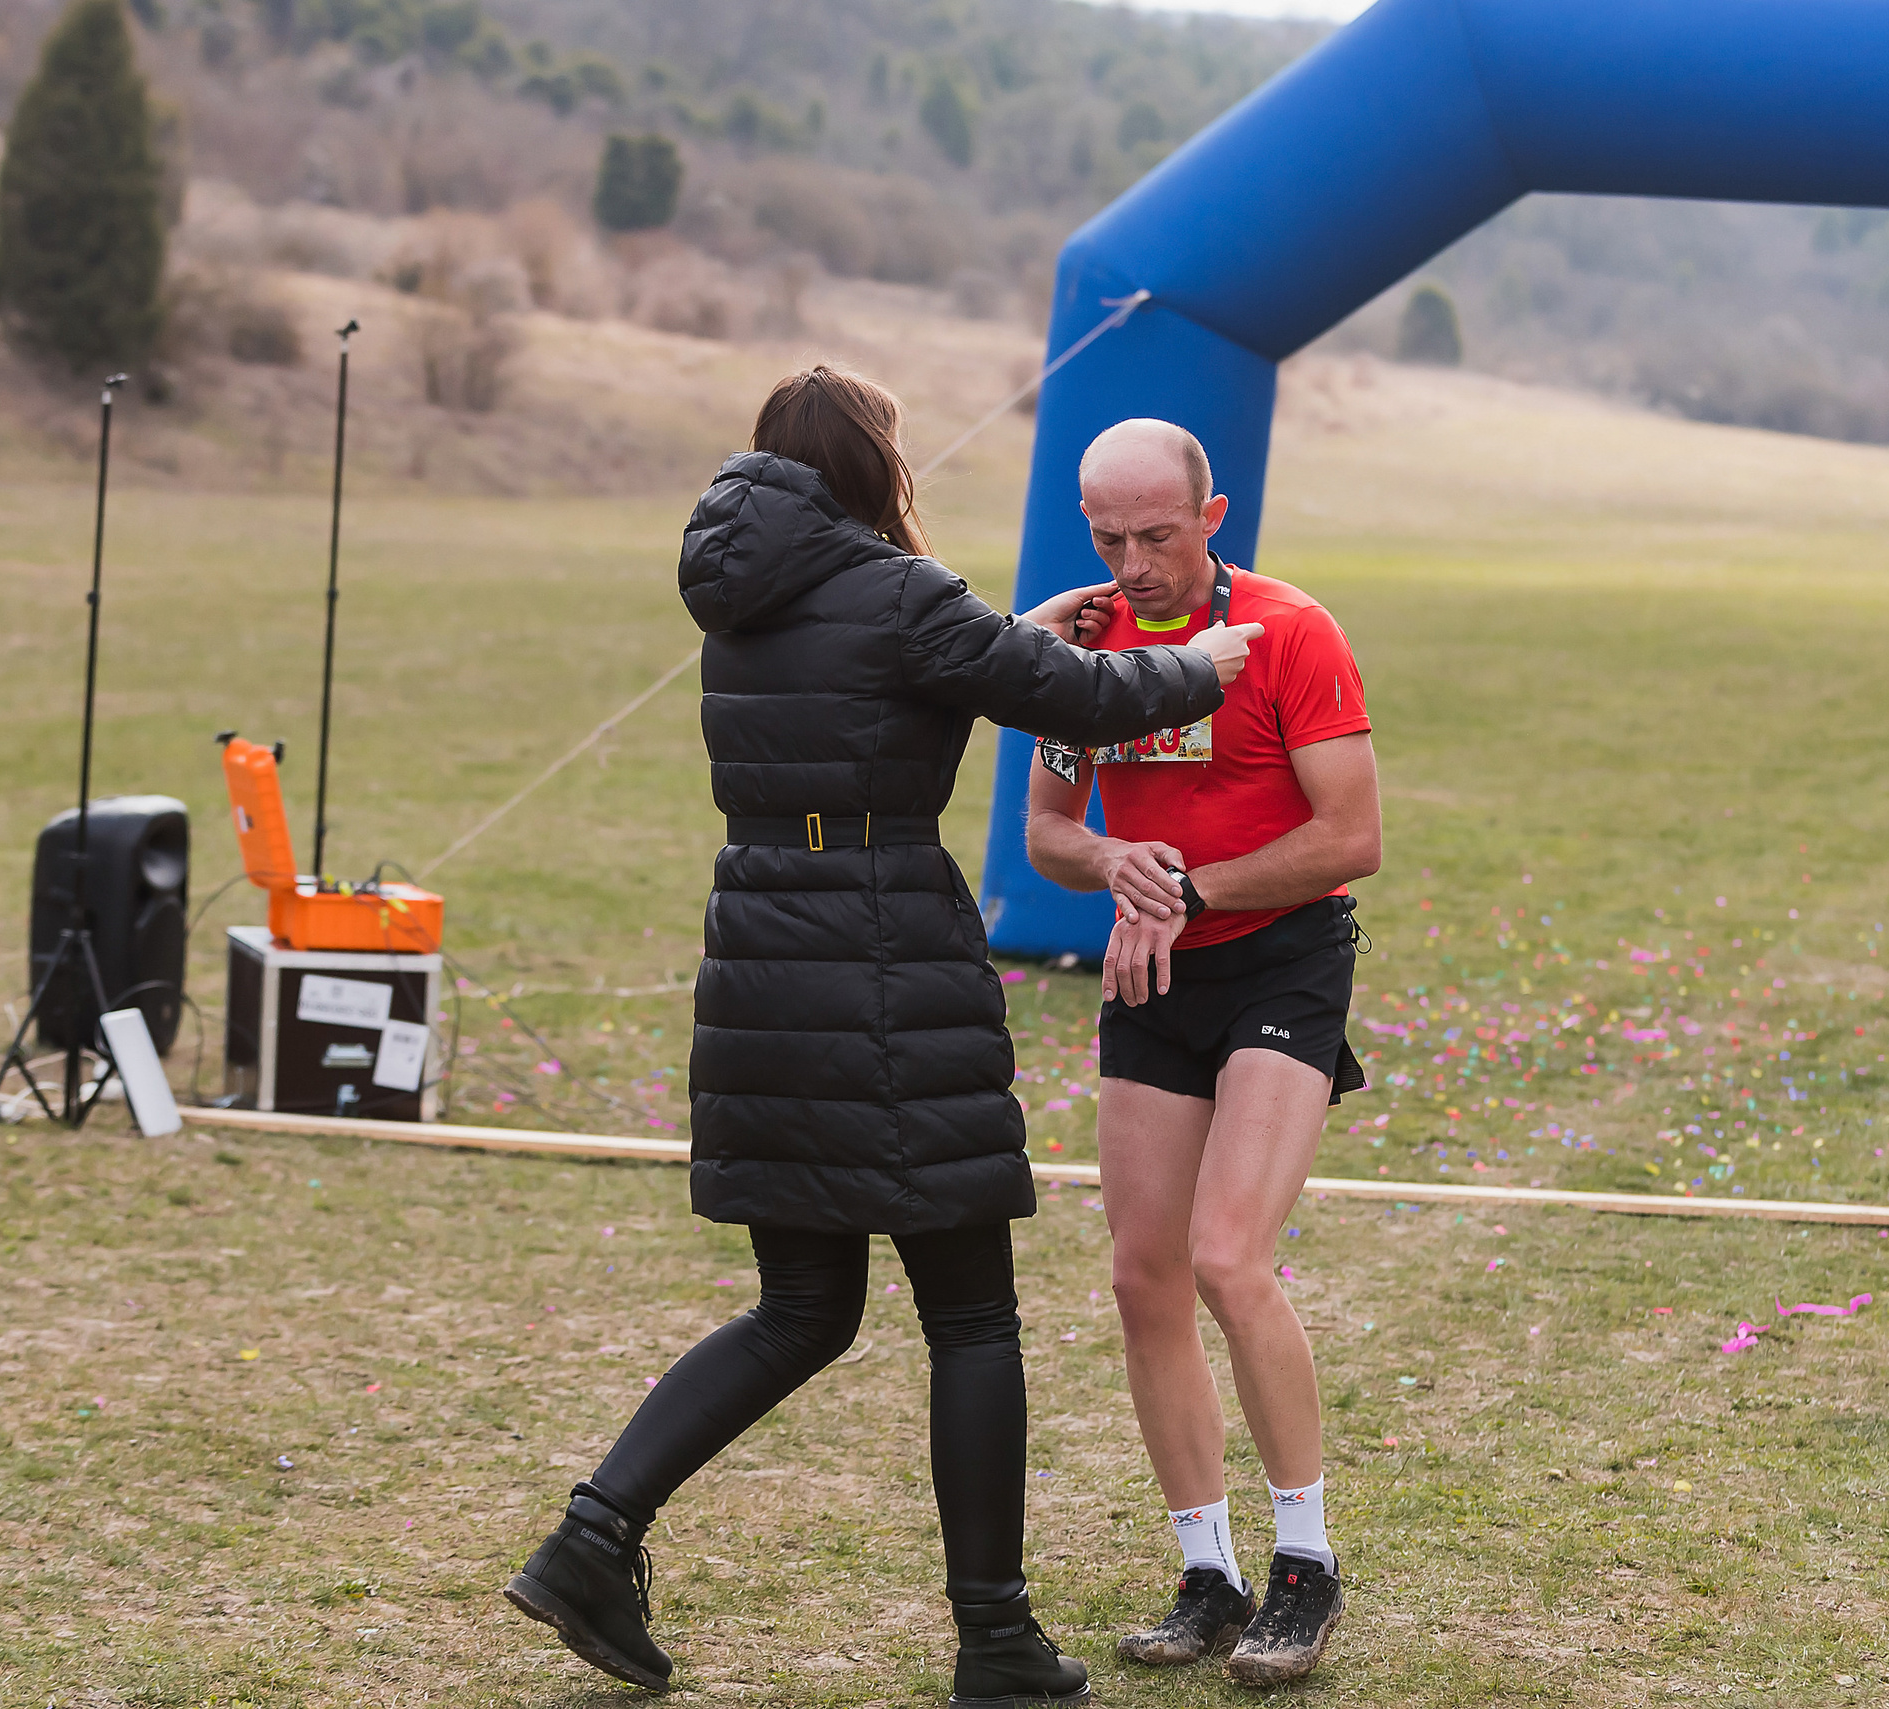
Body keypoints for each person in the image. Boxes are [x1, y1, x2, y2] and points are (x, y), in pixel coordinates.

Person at [502, 368, 1261, 1707]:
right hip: (880, 962)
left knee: (802, 1306)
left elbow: (893, 681)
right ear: (871, 463)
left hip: (761, 955)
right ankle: (996, 1639)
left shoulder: (745, 596)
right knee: (971, 1315)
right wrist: (1198, 666)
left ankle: (591, 1536)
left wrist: (1011, 632)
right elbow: (1077, 700)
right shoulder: (900, 592)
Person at [1024, 418, 1380, 1687]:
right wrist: (1114, 859)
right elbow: (1048, 830)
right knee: (1144, 1274)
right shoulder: (1080, 644)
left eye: (1157, 535)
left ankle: (1306, 1562)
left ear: (1211, 516)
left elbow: (1351, 835)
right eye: (1108, 537)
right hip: (1154, 971)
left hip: (1281, 961)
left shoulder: (1291, 631)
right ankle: (1206, 1572)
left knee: (1229, 1255)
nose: (1133, 563)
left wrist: (1189, 887)